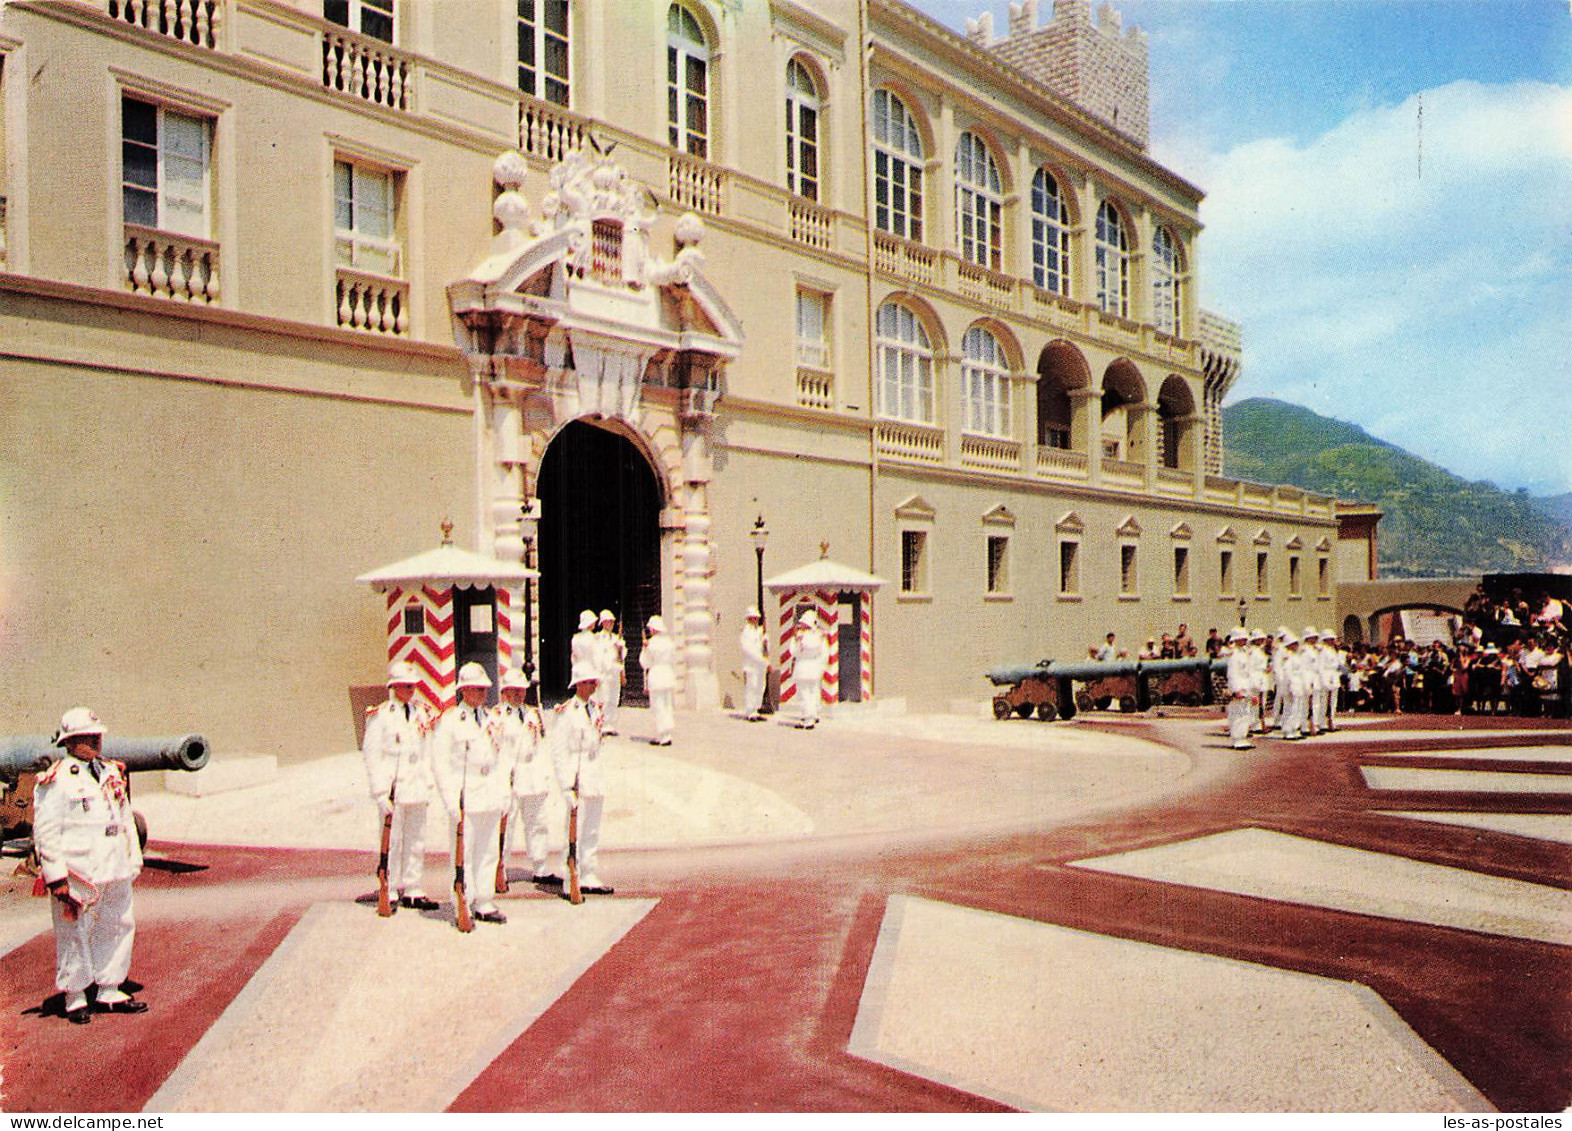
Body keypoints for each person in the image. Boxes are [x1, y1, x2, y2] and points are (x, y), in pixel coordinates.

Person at [33, 708, 146, 1023]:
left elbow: (125, 819)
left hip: (114, 864)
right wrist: (55, 877)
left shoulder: (111, 772)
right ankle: (75, 995)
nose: (96, 741)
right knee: (74, 931)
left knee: (118, 924)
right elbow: (46, 832)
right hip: (78, 871)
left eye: (97, 736)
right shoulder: (55, 780)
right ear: (69, 743)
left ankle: (110, 987)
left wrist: (133, 858)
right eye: (87, 737)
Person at [431, 662, 512, 925]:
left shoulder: (492, 719)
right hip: (467, 796)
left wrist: (504, 793)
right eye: (477, 689)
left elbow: (501, 759)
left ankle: (485, 901)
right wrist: (450, 800)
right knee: (464, 852)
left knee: (488, 850)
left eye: (485, 688)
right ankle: (463, 902)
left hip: (490, 794)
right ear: (464, 690)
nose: (483, 693)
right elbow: (441, 763)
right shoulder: (451, 721)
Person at [361, 661, 439, 911]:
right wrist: (379, 793)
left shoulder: (421, 713)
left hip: (416, 787)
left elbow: (427, 751)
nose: (411, 690)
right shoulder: (381, 715)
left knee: (416, 839)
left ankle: (413, 887)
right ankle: (391, 887)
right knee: (392, 841)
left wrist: (428, 782)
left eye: (413, 686)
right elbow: (371, 755)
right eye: (406, 686)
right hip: (393, 790)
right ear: (393, 687)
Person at [496, 668, 561, 887]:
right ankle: (499, 870)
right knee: (506, 826)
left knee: (538, 823)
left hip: (533, 776)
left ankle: (540, 868)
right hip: (510, 778)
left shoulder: (534, 713)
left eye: (522, 690)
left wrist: (545, 776)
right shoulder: (496, 717)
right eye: (513, 691)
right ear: (504, 692)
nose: (519, 694)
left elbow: (540, 746)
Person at [553, 660, 613, 895]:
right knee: (574, 830)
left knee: (592, 829)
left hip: (594, 774)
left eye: (594, 682)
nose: (592, 686)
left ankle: (588, 873)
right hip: (576, 777)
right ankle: (571, 879)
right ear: (577, 685)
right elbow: (559, 751)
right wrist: (566, 786)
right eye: (588, 682)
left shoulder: (595, 709)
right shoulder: (566, 712)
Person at [640, 615, 676, 746]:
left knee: (658, 706)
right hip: (668, 675)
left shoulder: (652, 643)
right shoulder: (670, 643)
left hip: (657, 676)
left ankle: (662, 735)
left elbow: (645, 663)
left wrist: (644, 648)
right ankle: (667, 733)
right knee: (667, 705)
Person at [790, 609, 828, 728]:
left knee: (806, 694)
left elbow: (795, 652)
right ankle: (810, 716)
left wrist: (798, 641)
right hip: (811, 668)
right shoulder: (819, 636)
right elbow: (793, 652)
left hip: (805, 668)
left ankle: (808, 718)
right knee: (809, 693)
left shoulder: (805, 637)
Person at [595, 610, 626, 736]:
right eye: (608, 621)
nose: (610, 624)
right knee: (604, 698)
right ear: (602, 623)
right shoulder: (597, 638)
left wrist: (620, 648)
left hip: (614, 672)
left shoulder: (616, 638)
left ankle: (610, 725)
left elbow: (621, 658)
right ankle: (602, 724)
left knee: (614, 699)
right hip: (603, 672)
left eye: (612, 621)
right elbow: (596, 656)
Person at [1223, 629, 1255, 750]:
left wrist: (1249, 690)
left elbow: (1248, 672)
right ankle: (1237, 739)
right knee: (1237, 713)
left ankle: (1243, 737)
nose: (1245, 640)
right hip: (1238, 686)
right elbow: (1233, 673)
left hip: (1246, 686)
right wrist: (1236, 689)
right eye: (1242, 638)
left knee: (1246, 713)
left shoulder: (1244, 653)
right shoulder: (1234, 654)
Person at [739, 606, 769, 721]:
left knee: (760, 686)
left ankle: (756, 709)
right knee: (752, 686)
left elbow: (765, 648)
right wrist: (761, 660)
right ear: (749, 618)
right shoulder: (746, 631)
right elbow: (747, 649)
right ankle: (750, 711)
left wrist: (766, 640)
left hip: (760, 665)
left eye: (757, 618)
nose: (756, 620)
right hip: (751, 664)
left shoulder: (759, 631)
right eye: (753, 618)